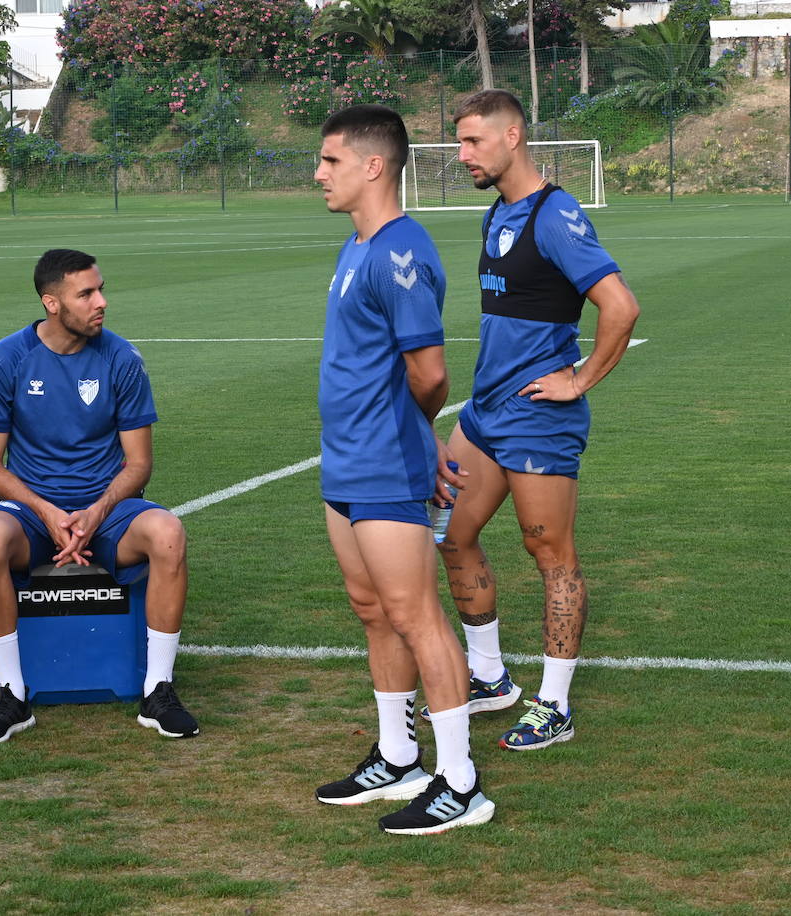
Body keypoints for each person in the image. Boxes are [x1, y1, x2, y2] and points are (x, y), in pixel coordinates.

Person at [434, 88, 640, 751]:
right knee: (450, 532)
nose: (461, 154)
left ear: (512, 136)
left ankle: (555, 705)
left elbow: (620, 306)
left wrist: (579, 378)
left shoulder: (556, 215)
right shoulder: (499, 211)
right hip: (487, 410)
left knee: (550, 555)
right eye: (460, 141)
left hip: (538, 420)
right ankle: (491, 677)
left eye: (472, 141)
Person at [311, 104, 494, 835]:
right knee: (373, 610)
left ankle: (461, 781)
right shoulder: (356, 247)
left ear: (372, 166)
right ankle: (396, 756)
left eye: (329, 161)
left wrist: (413, 438)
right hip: (345, 463)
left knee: (419, 619)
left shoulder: (399, 252)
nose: (319, 174)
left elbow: (431, 375)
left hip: (385, 463)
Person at [0, 248, 198, 745]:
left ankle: (158, 690)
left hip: (106, 515)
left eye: (101, 289)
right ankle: (10, 694)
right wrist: (48, 512)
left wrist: (94, 513)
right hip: (32, 517)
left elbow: (139, 464)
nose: (101, 302)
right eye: (86, 293)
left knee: (168, 532)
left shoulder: (121, 358)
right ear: (52, 302)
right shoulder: (7, 359)